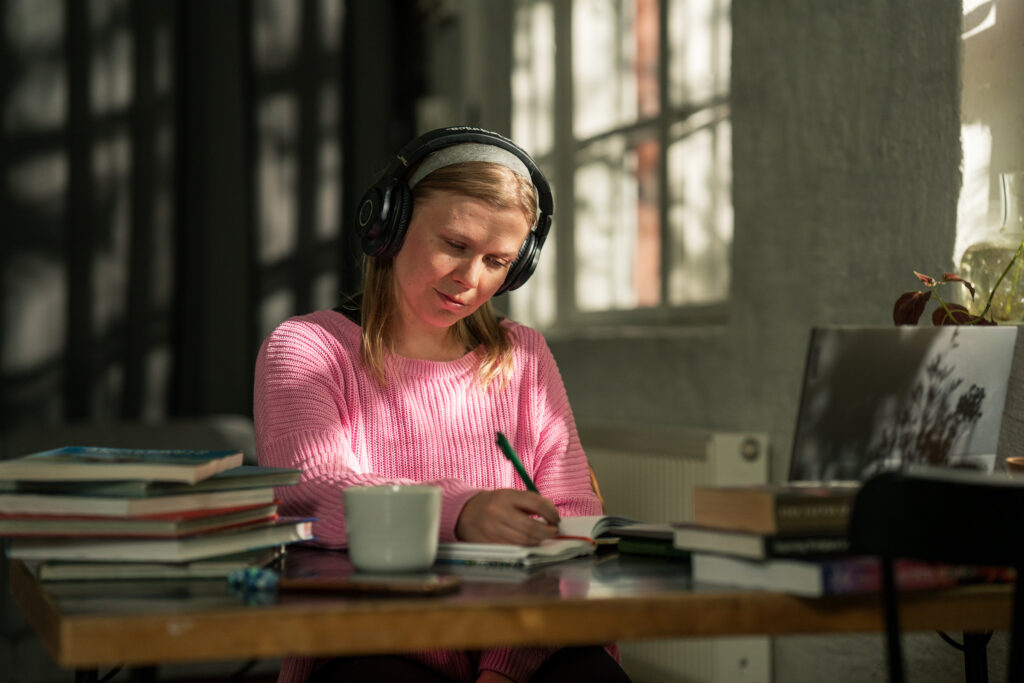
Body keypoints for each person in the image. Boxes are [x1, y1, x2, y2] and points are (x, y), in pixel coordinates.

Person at [254, 127, 631, 683]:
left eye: (497, 261)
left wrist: (504, 671)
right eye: (454, 244)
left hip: (525, 650)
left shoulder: (524, 355)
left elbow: (572, 523)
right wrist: (463, 512)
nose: (470, 279)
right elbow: (309, 490)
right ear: (390, 225)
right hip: (372, 647)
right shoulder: (309, 348)